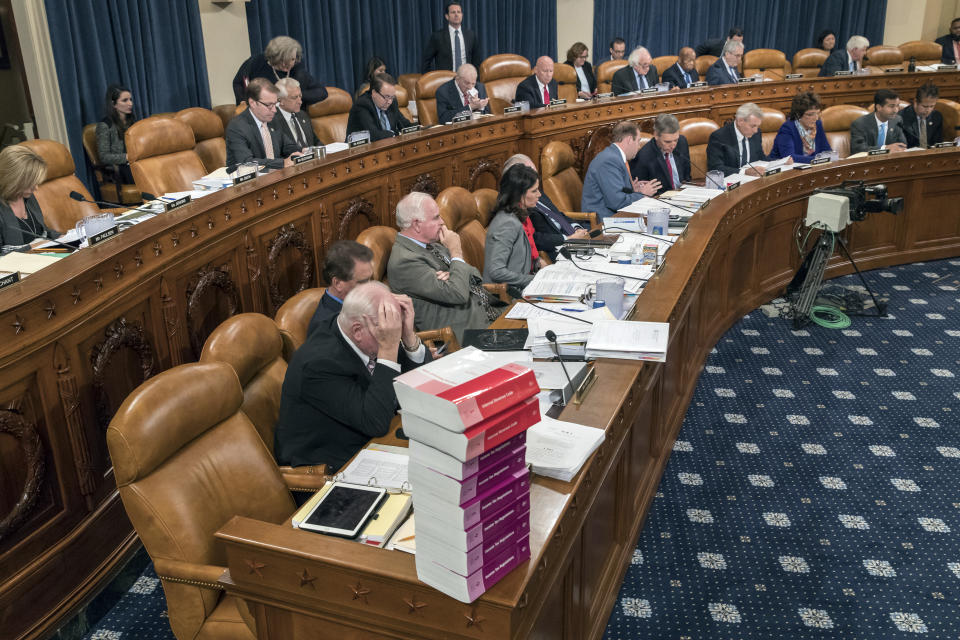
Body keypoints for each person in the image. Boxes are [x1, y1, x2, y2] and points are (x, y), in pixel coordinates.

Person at [274, 282, 429, 472]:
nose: (393, 336)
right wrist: (388, 349)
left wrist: (409, 338)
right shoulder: (319, 365)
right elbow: (375, 422)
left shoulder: (359, 328)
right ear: (357, 331)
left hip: (372, 441)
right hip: (330, 469)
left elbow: (425, 390)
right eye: (389, 330)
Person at [387, 192, 497, 341]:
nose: (442, 222)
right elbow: (458, 293)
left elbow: (474, 275)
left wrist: (455, 273)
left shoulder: (432, 245)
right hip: (467, 334)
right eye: (436, 217)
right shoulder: (405, 261)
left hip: (489, 312)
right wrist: (456, 252)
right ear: (417, 225)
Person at [501, 153, 590, 261]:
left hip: (575, 240)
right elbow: (535, 239)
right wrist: (568, 239)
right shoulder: (517, 206)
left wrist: (576, 228)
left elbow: (558, 215)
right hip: (559, 251)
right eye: (530, 174)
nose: (535, 179)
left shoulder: (537, 192)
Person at [484, 165, 544, 297]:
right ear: (519, 194)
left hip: (521, 289)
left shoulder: (518, 216)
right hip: (509, 297)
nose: (539, 195)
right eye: (534, 191)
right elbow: (496, 271)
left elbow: (517, 258)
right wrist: (534, 280)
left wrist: (537, 263)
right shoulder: (507, 223)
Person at [581, 120, 660, 219]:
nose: (639, 146)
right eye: (638, 141)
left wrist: (633, 190)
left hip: (616, 217)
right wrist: (642, 193)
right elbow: (617, 202)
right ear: (630, 140)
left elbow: (615, 192)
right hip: (603, 222)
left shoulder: (614, 156)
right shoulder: (609, 160)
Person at [225, 78, 302, 170]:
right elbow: (246, 162)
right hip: (249, 180)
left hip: (276, 176)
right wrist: (282, 163)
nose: (274, 110)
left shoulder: (272, 119)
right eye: (269, 105)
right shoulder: (237, 126)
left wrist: (302, 152)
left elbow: (287, 146)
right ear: (253, 103)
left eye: (275, 104)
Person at [232, 35, 327, 107]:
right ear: (273, 56)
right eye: (283, 60)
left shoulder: (298, 70)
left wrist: (296, 95)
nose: (289, 64)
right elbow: (239, 82)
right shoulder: (257, 62)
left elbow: (322, 92)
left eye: (292, 59)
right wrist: (243, 101)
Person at [306, 240, 375, 337]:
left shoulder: (356, 302)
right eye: (362, 282)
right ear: (338, 283)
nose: (371, 287)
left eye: (370, 279)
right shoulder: (324, 328)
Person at [0, 145, 57, 248]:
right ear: (14, 179)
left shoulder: (27, 196)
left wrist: (64, 237)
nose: (36, 188)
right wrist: (33, 247)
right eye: (31, 182)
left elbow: (42, 231)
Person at [629, 114, 691, 196]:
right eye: (667, 142)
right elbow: (640, 193)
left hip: (684, 194)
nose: (673, 146)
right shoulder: (643, 157)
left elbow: (687, 176)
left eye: (675, 140)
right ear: (656, 135)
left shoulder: (682, 142)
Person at [706, 102, 769, 176]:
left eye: (757, 126)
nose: (755, 130)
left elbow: (761, 158)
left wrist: (781, 162)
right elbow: (715, 168)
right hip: (732, 183)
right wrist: (744, 172)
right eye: (753, 126)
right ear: (740, 121)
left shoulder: (756, 134)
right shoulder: (719, 137)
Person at [345, 73, 412, 141]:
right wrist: (396, 133)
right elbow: (374, 135)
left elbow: (405, 125)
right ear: (374, 93)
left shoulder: (392, 102)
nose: (389, 102)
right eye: (386, 97)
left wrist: (420, 128)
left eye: (392, 97)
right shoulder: (362, 105)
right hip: (360, 150)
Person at [769, 92, 832, 163]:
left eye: (818, 113)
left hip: (811, 168)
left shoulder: (818, 124)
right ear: (798, 115)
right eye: (810, 114)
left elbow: (827, 150)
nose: (816, 118)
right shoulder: (787, 128)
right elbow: (789, 157)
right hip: (784, 169)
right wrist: (818, 160)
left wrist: (828, 158)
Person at [421, 2, 481, 73]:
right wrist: (430, 78)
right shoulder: (437, 36)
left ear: (462, 15)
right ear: (447, 16)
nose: (456, 15)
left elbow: (476, 61)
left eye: (458, 12)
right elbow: (426, 61)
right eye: (453, 12)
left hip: (466, 79)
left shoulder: (471, 35)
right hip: (446, 79)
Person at [95, 84, 137, 184]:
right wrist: (127, 157)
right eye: (125, 100)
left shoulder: (133, 121)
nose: (130, 103)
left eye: (130, 99)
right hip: (121, 168)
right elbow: (104, 156)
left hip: (136, 162)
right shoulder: (105, 125)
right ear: (113, 104)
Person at [850, 89, 908, 154]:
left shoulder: (897, 120)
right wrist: (884, 149)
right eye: (891, 106)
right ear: (879, 107)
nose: (896, 110)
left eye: (897, 106)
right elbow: (858, 149)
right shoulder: (860, 124)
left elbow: (902, 145)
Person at [275, 78, 318, 149]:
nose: (300, 102)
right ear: (281, 100)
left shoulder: (303, 114)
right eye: (294, 98)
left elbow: (316, 142)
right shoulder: (273, 120)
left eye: (300, 96)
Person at [900, 84, 943, 148]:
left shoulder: (936, 116)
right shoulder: (902, 118)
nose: (928, 110)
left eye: (932, 106)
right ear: (915, 102)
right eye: (925, 106)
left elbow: (938, 143)